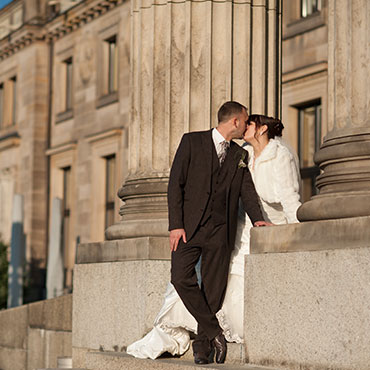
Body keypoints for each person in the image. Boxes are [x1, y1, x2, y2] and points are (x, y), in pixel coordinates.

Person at [126, 113, 301, 361]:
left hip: (231, 233)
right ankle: (213, 331)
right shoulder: (204, 144)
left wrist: (287, 228)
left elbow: (250, 191)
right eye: (245, 120)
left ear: (261, 130)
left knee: (215, 289)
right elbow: (176, 183)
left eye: (251, 123)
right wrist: (175, 225)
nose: (246, 125)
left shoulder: (248, 155)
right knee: (180, 278)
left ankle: (203, 344)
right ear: (235, 121)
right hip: (199, 230)